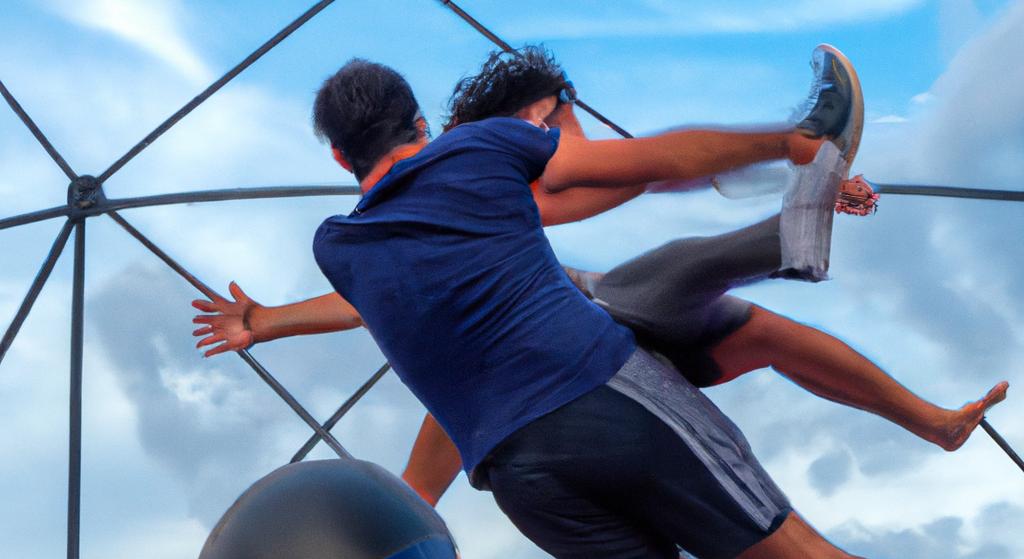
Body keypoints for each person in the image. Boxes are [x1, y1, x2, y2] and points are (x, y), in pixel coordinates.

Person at [203, 54, 1024, 559]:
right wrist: (789, 142)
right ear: (420, 122)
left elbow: (361, 301)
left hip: (524, 473)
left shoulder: (340, 244)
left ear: (343, 159)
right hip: (604, 403)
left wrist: (264, 322)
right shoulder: (481, 154)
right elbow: (647, 162)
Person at [193, 47, 1006, 509]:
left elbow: (656, 174)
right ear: (521, 127)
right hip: (561, 353)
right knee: (640, 289)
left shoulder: (489, 191)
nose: (574, 134)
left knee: (758, 332)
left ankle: (931, 421)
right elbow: (363, 303)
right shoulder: (491, 173)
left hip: (580, 349)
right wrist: (803, 156)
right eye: (559, 118)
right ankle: (407, 520)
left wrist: (817, 176)